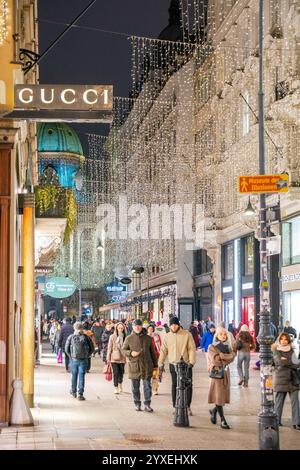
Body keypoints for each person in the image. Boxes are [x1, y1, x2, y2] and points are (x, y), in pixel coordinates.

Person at [158, 317, 196, 416]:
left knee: (187, 385)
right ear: (170, 325)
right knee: (175, 384)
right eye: (172, 325)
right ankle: (175, 406)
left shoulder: (187, 334)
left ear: (178, 324)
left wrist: (191, 362)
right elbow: (163, 350)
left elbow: (192, 348)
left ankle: (187, 406)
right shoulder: (167, 336)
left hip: (186, 365)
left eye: (175, 324)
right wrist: (160, 363)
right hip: (173, 364)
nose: (173, 326)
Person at [122, 319, 158, 412]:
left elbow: (153, 353)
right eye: (135, 326)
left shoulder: (148, 338)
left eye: (139, 325)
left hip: (147, 366)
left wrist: (156, 366)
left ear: (142, 326)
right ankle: (137, 404)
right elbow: (123, 350)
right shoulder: (129, 338)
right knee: (135, 387)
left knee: (147, 387)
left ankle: (147, 404)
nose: (137, 327)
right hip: (135, 366)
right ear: (133, 327)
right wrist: (130, 353)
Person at [207, 326, 236, 429]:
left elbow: (232, 357)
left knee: (221, 397)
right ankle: (223, 420)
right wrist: (226, 357)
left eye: (225, 334)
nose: (223, 336)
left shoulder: (228, 347)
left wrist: (222, 356)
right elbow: (215, 360)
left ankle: (214, 411)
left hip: (225, 374)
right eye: (221, 334)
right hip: (217, 375)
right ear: (217, 335)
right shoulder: (212, 347)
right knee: (219, 397)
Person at [272, 332, 300, 430]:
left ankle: (297, 422)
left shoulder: (291, 350)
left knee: (295, 401)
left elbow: (297, 364)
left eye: (286, 339)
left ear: (288, 340)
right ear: (279, 340)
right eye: (282, 339)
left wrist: (286, 361)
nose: (284, 341)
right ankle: (276, 420)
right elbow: (279, 362)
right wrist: (289, 362)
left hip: (293, 379)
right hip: (281, 379)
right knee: (279, 401)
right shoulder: (276, 350)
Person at [65, 322, 94, 401]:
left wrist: (71, 357)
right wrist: (87, 355)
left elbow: (66, 349)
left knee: (74, 375)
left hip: (74, 360)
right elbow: (92, 348)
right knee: (81, 376)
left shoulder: (71, 337)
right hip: (83, 360)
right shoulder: (86, 337)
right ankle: (80, 394)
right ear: (82, 329)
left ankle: (73, 391)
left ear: (74, 328)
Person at [107, 322, 127, 394]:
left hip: (122, 357)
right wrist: (108, 358)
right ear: (116, 328)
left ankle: (120, 384)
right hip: (114, 357)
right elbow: (109, 348)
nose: (120, 329)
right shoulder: (112, 336)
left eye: (122, 328)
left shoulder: (126, 337)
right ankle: (116, 387)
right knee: (115, 372)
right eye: (119, 328)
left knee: (121, 372)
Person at [147, 324, 162, 395]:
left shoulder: (157, 336)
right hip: (147, 358)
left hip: (156, 357)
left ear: (153, 329)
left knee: (155, 375)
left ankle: (155, 389)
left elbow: (160, 346)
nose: (150, 330)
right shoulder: (145, 337)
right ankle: (148, 388)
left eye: (151, 329)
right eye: (149, 329)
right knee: (148, 375)